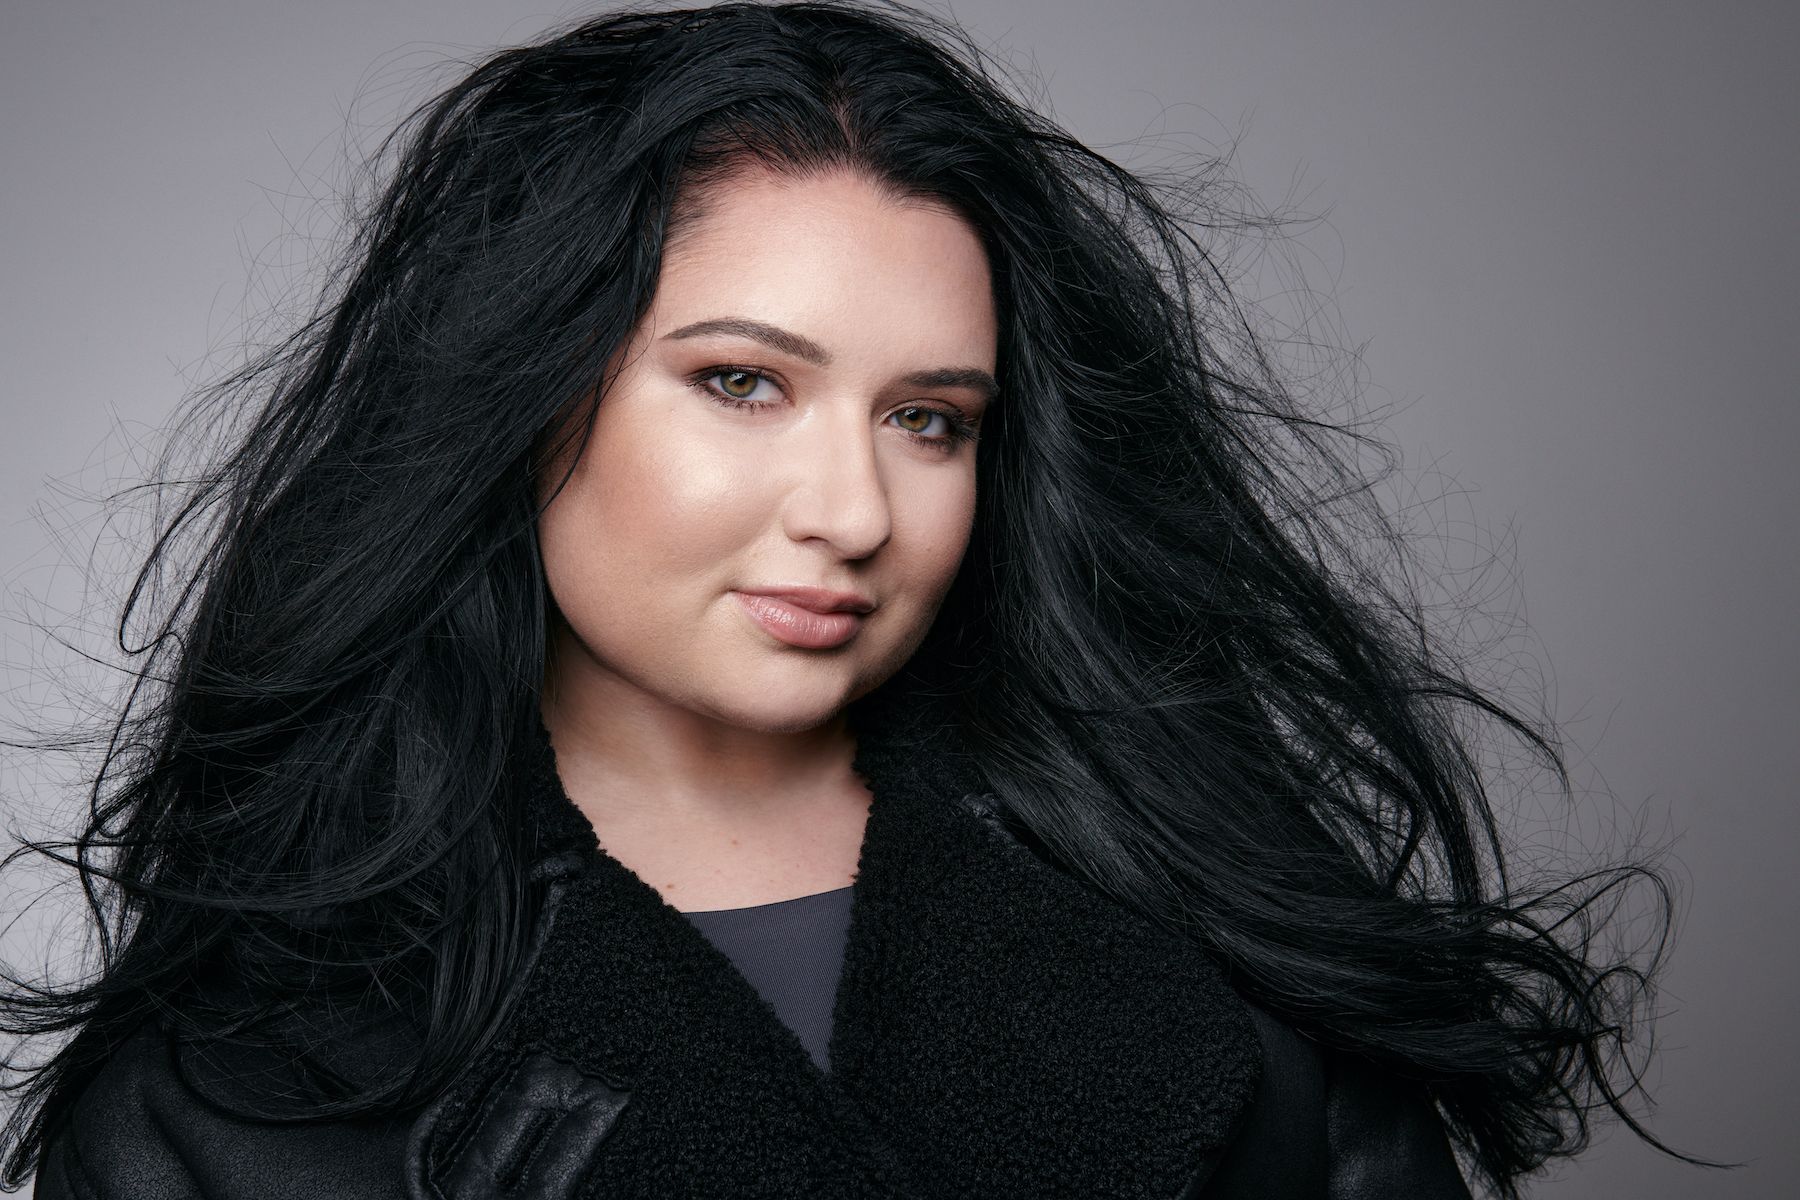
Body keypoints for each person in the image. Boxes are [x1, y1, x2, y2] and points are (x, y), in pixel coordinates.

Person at [0, 2, 1706, 1196]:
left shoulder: (1223, 948)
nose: (854, 511)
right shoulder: (243, 1080)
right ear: (521, 399)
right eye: (743, 383)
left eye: (929, 420)